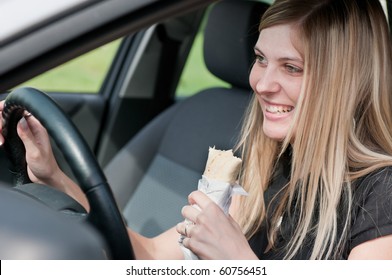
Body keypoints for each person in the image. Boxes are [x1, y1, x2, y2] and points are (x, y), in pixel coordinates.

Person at [1, 0, 392, 259]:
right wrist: (53, 176)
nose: (261, 83)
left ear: (345, 83)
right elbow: (150, 255)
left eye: (291, 67)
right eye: (260, 59)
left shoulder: (380, 197)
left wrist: (238, 262)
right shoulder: (270, 169)